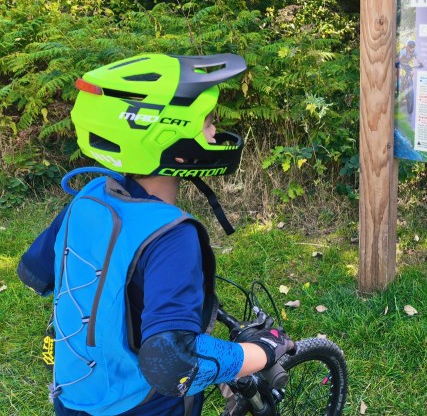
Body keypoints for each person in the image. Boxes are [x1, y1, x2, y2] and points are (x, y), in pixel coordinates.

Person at [17, 53, 296, 416]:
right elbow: (172, 365)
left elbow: (33, 273)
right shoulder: (171, 237)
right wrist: (262, 351)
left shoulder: (87, 197)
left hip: (74, 397)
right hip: (142, 406)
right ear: (171, 144)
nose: (214, 132)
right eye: (208, 123)